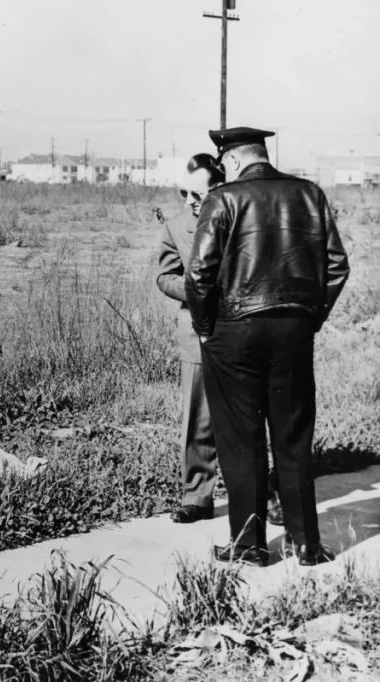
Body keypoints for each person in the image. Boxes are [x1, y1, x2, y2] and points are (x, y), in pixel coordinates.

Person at [185, 127, 350, 567]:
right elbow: (336, 266)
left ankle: (250, 547)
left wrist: (205, 326)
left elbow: (199, 273)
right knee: (294, 437)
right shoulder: (309, 194)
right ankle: (307, 546)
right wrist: (310, 317)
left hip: (233, 332)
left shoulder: (223, 199)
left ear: (233, 161)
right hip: (294, 332)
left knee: (242, 441)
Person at [156, 154, 222, 523]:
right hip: (196, 332)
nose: (189, 202)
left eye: (198, 194)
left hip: (238, 332)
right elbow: (165, 276)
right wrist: (196, 291)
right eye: (184, 192)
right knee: (197, 418)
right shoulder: (176, 225)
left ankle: (265, 492)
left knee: (248, 415)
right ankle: (197, 496)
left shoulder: (237, 220)